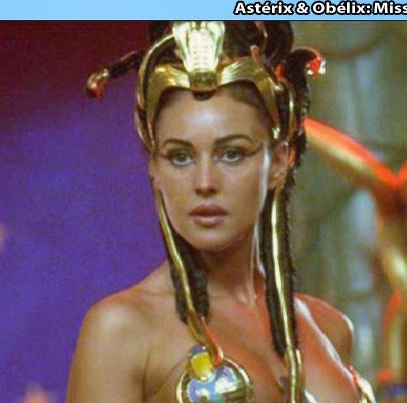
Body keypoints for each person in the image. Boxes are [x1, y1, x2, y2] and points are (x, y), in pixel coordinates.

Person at [68, 22, 376, 402]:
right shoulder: (121, 331)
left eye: (231, 154)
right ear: (155, 169)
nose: (204, 182)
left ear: (280, 162)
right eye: (180, 157)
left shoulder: (329, 328)